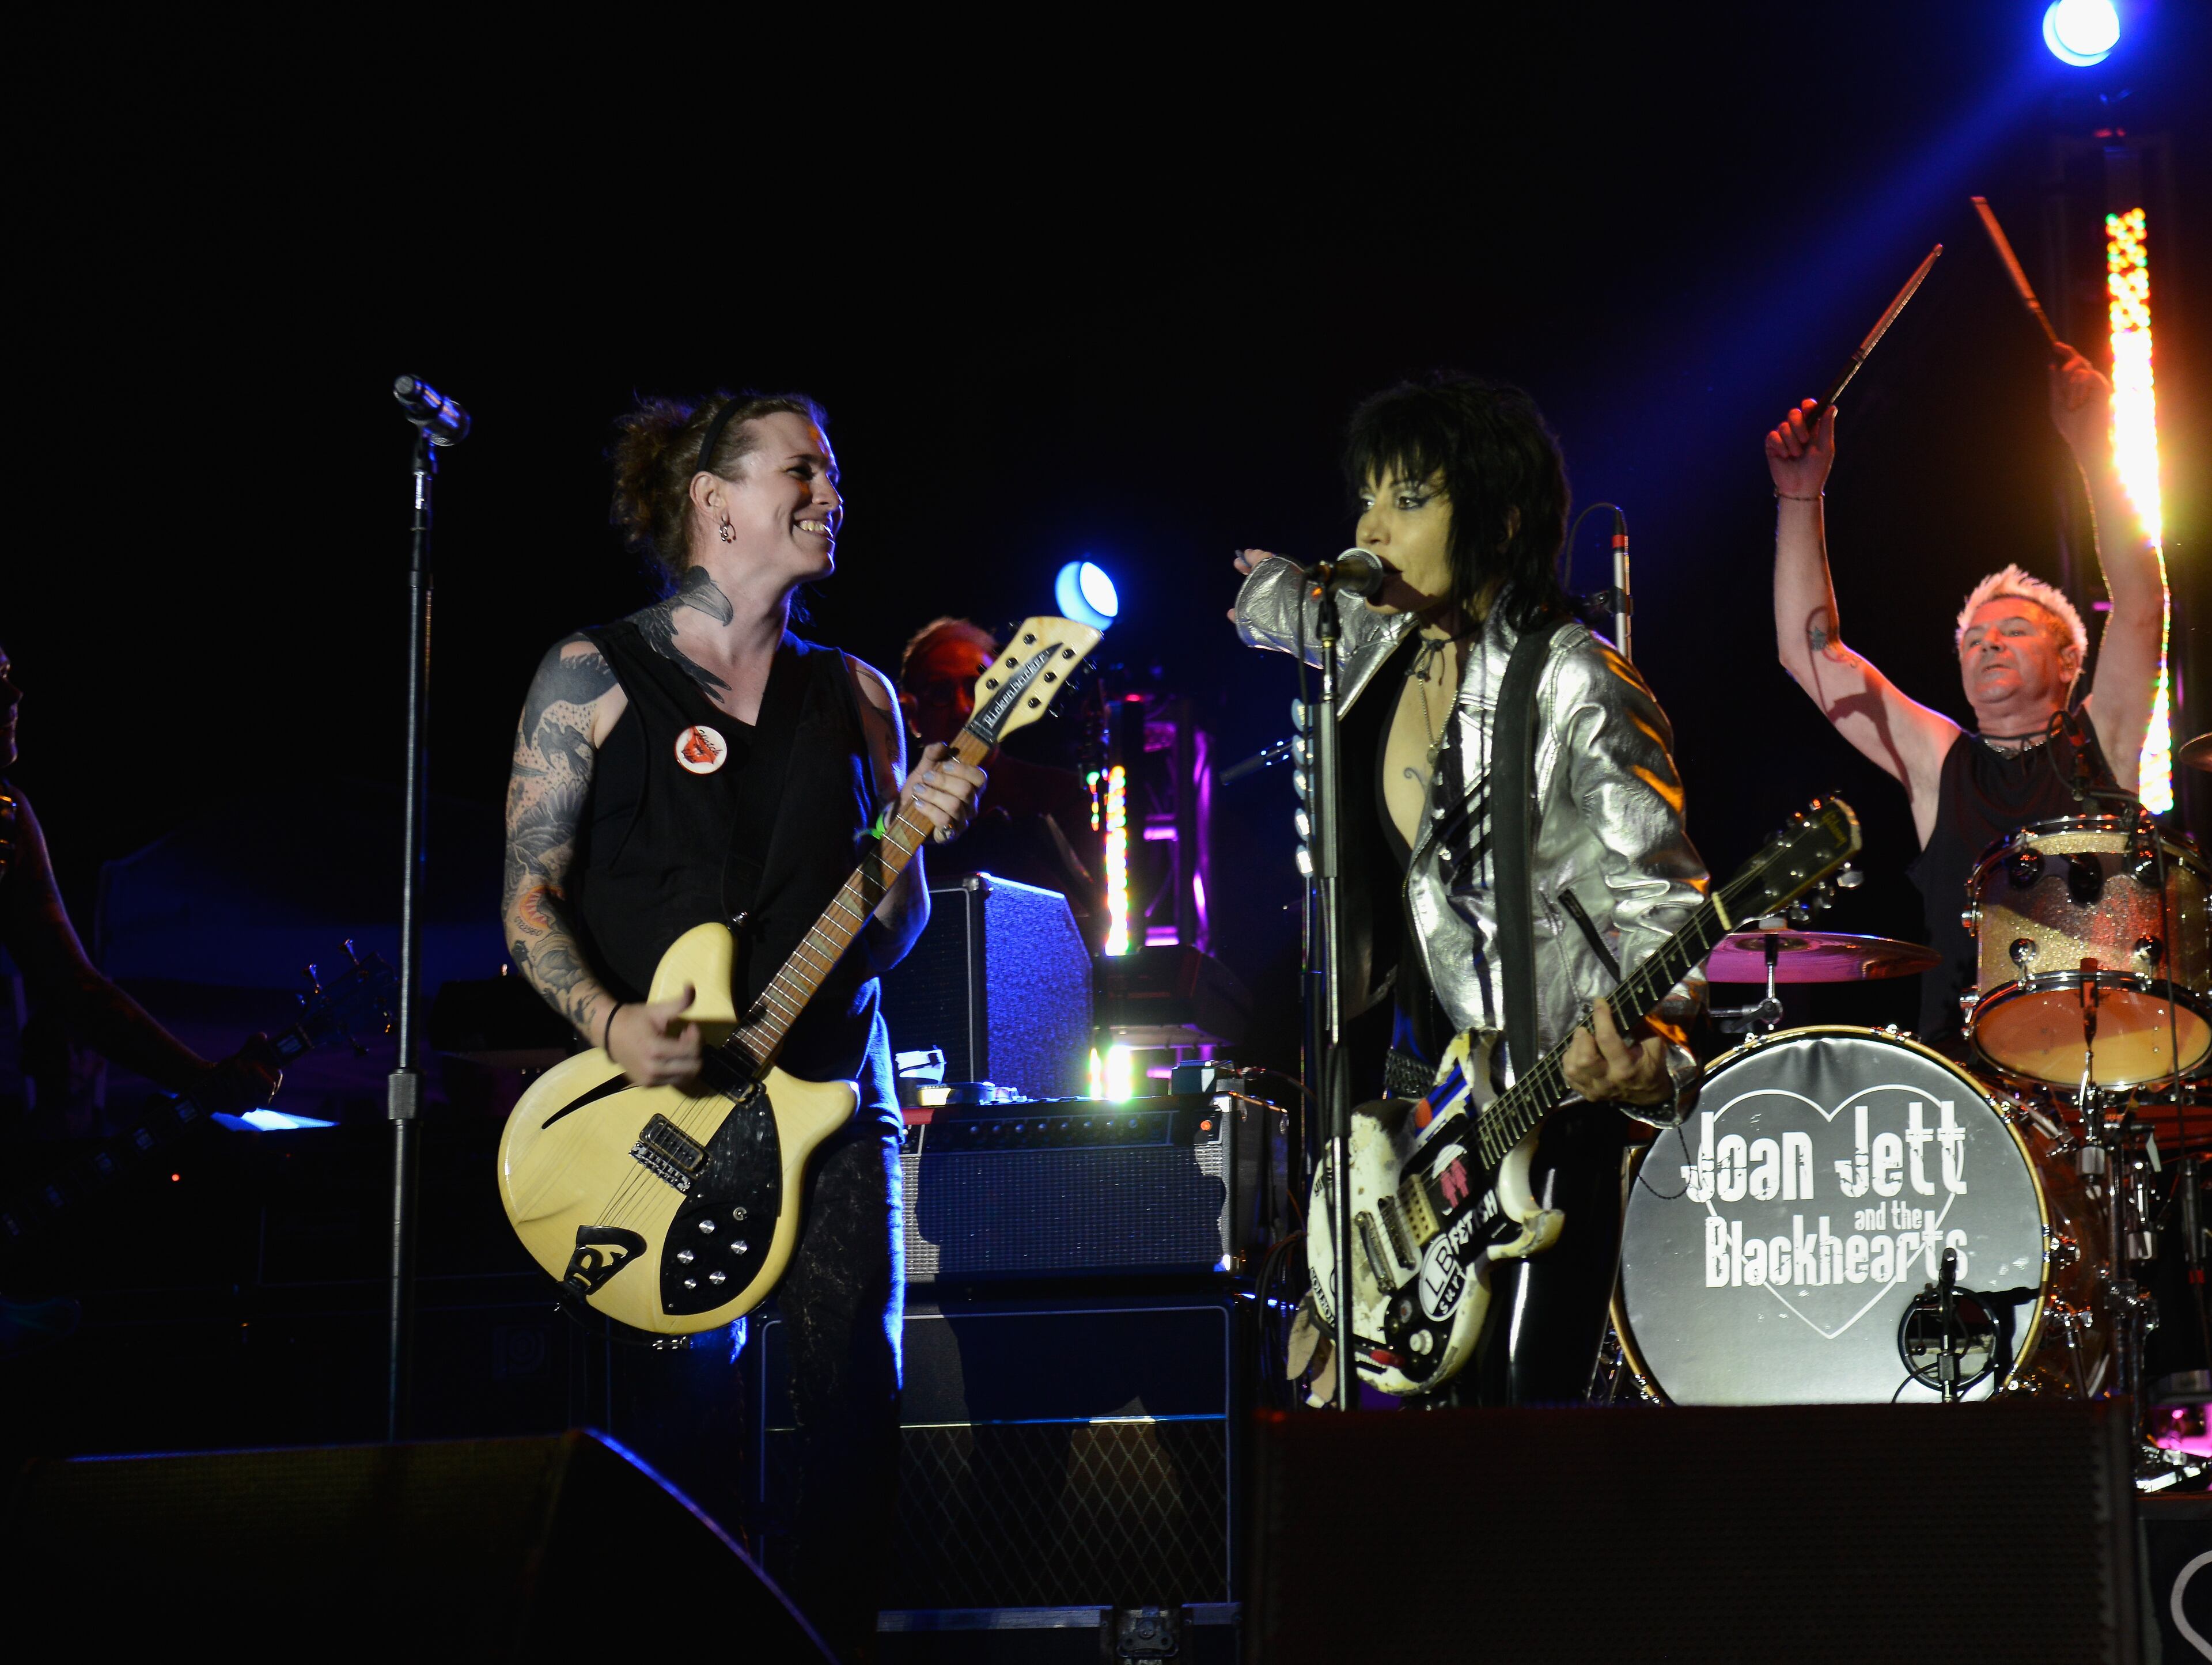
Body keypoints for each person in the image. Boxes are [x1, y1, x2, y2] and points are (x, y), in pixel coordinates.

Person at [499, 392, 985, 1662]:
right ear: (715, 500)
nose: (833, 493)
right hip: (651, 1107)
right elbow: (525, 899)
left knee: (852, 1405)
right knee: (673, 1421)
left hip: (828, 1075)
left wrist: (908, 843)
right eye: (804, 471)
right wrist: (610, 1023)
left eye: (834, 473)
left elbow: (891, 934)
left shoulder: (861, 695)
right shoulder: (594, 675)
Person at [1229, 373, 1709, 1406]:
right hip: (1416, 1114)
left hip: (1547, 1114)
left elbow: (1667, 909)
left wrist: (1644, 1043)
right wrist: (1268, 590)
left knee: (1515, 1444)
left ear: (1500, 515)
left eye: (1410, 498)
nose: (1372, 526)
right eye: (1365, 497)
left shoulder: (1578, 681)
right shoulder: (1376, 644)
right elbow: (1282, 608)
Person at [1766, 344, 2164, 1054]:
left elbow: (2140, 600)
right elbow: (1810, 653)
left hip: (2099, 1068)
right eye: (1975, 638)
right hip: (1962, 1077)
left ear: (2071, 659)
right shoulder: (1943, 761)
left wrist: (2094, 446)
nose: (1988, 643)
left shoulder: (2101, 735)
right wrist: (1801, 495)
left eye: (2014, 630)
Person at [0, 644, 279, 1135]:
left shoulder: (10, 819)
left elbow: (78, 988)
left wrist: (202, 1077)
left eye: (6, 672)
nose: (13, 693)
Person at [895, 617, 1098, 924]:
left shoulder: (1059, 796)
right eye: (940, 692)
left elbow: (1087, 921)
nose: (963, 707)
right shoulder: (880, 800)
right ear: (910, 714)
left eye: (980, 686)